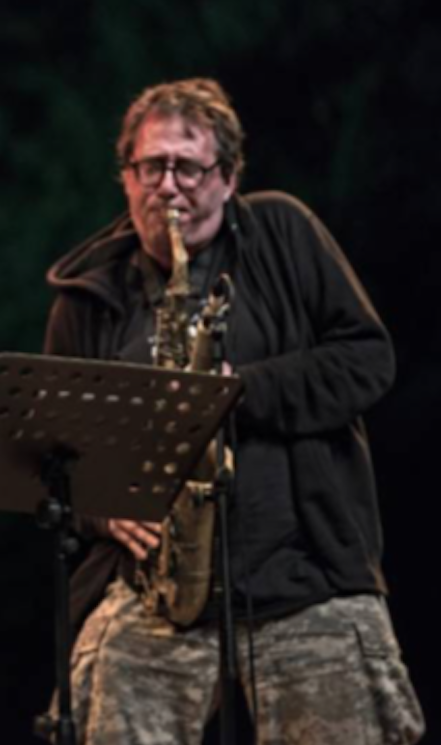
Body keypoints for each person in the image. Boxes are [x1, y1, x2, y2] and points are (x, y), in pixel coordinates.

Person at [42, 78, 424, 743]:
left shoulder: (283, 230)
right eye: (151, 167)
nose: (168, 187)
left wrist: (234, 392)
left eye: (187, 168)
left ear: (227, 177)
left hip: (305, 577)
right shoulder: (88, 300)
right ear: (126, 176)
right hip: (156, 593)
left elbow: (367, 359)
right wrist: (101, 506)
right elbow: (52, 456)